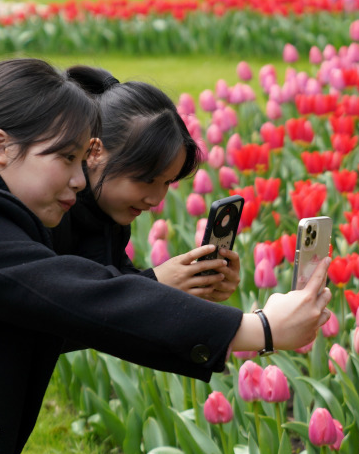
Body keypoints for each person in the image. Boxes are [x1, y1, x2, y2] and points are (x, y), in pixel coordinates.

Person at [0, 58, 332, 454]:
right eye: (68, 159)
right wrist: (259, 329)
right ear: (0, 145)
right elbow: (68, 293)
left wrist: (158, 286)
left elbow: (53, 302)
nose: (80, 179)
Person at [51, 66, 240, 303]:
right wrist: (157, 282)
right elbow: (68, 305)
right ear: (95, 152)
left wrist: (190, 286)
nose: (155, 199)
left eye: (167, 182)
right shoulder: (54, 212)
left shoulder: (106, 213)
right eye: (147, 179)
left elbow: (115, 283)